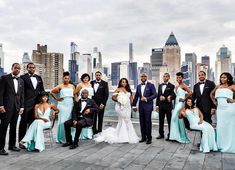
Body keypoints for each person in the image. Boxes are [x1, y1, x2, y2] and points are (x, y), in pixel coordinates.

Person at [94, 78, 139, 144]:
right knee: (123, 119)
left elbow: (131, 99)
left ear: (126, 83)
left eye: (125, 82)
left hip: (127, 107)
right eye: (122, 82)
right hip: (119, 107)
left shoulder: (128, 90)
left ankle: (128, 135)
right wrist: (119, 101)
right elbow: (113, 98)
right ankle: (123, 137)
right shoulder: (118, 89)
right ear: (120, 83)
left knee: (127, 119)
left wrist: (134, 106)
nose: (124, 83)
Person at [0, 63, 24, 155]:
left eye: (19, 68)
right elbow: (0, 93)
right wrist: (1, 105)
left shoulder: (21, 81)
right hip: (6, 107)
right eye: (15, 68)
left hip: (16, 108)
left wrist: (22, 106)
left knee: (14, 127)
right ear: (12, 68)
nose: (17, 69)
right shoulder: (5, 78)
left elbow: (21, 95)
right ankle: (0, 148)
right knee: (3, 128)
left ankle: (12, 145)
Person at [19, 63, 45, 148]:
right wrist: (21, 104)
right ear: (27, 68)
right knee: (23, 123)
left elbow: (42, 91)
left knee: (33, 124)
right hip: (26, 104)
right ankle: (21, 142)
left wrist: (42, 103)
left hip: (36, 105)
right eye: (30, 67)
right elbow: (20, 92)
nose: (32, 69)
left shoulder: (38, 77)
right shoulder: (23, 77)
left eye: (33, 67)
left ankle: (30, 141)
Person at [210, 72, 235, 153]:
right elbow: (211, 94)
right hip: (220, 110)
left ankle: (229, 146)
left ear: (228, 78)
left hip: (229, 109)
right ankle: (220, 145)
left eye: (224, 77)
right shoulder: (218, 86)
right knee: (220, 127)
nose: (222, 79)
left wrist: (233, 100)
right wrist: (214, 101)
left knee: (229, 127)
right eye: (221, 77)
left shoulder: (232, 86)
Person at [50, 72, 75, 144]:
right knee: (62, 121)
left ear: (69, 79)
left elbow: (74, 95)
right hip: (62, 105)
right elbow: (52, 92)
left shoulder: (72, 86)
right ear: (63, 78)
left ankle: (70, 137)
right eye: (65, 78)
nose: (66, 79)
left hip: (70, 104)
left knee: (70, 120)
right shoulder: (60, 86)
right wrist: (57, 98)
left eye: (68, 78)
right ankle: (61, 138)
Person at [133, 73, 157, 144]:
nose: (143, 77)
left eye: (145, 76)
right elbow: (136, 96)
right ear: (140, 78)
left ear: (147, 77)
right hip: (141, 107)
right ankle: (143, 137)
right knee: (142, 122)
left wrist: (147, 98)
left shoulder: (151, 85)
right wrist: (134, 105)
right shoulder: (138, 86)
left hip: (148, 107)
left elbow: (155, 94)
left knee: (148, 122)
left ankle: (149, 138)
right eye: (142, 76)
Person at [169, 72, 192, 143]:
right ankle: (179, 136)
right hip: (176, 103)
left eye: (179, 77)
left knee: (173, 118)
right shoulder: (177, 86)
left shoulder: (183, 85)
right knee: (179, 120)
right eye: (177, 77)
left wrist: (184, 99)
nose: (178, 79)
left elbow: (191, 92)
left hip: (180, 103)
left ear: (182, 78)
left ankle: (177, 136)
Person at [156, 73, 176, 140]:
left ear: (169, 77)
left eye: (166, 76)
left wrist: (168, 97)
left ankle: (170, 134)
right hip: (161, 106)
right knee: (160, 121)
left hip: (168, 106)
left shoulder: (172, 86)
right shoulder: (160, 85)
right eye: (164, 76)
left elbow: (174, 96)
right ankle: (161, 134)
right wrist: (157, 105)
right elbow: (158, 96)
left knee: (169, 121)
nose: (165, 77)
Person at [74, 73, 94, 139]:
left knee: (88, 116)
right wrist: (76, 99)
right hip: (81, 101)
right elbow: (75, 93)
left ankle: (87, 135)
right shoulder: (80, 85)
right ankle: (79, 134)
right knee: (81, 116)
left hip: (89, 101)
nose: (86, 79)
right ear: (82, 78)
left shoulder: (90, 84)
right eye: (84, 78)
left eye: (87, 78)